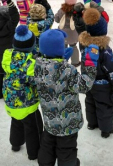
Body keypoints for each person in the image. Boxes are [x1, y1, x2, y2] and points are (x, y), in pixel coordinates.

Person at [35, 28, 99, 166]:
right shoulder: (67, 70)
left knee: (47, 145)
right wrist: (90, 64)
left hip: (49, 119)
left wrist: (60, 58)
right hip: (68, 123)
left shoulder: (36, 66)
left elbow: (50, 69)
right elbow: (84, 86)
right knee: (66, 150)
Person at [79, 8, 113, 138]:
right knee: (104, 106)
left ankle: (92, 123)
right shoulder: (104, 50)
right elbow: (111, 68)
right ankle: (106, 129)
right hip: (102, 84)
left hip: (87, 81)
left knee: (90, 102)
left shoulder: (83, 45)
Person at [2, 25, 43, 161]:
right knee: (32, 128)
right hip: (27, 104)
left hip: (10, 101)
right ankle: (33, 153)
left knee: (16, 121)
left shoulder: (7, 56)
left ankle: (15, 144)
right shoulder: (31, 63)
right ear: (32, 46)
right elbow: (34, 81)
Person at [54, 0, 80, 67]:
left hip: (62, 34)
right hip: (73, 34)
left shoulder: (62, 10)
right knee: (73, 47)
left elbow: (57, 19)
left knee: (63, 47)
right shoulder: (77, 10)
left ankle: (62, 60)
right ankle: (75, 62)